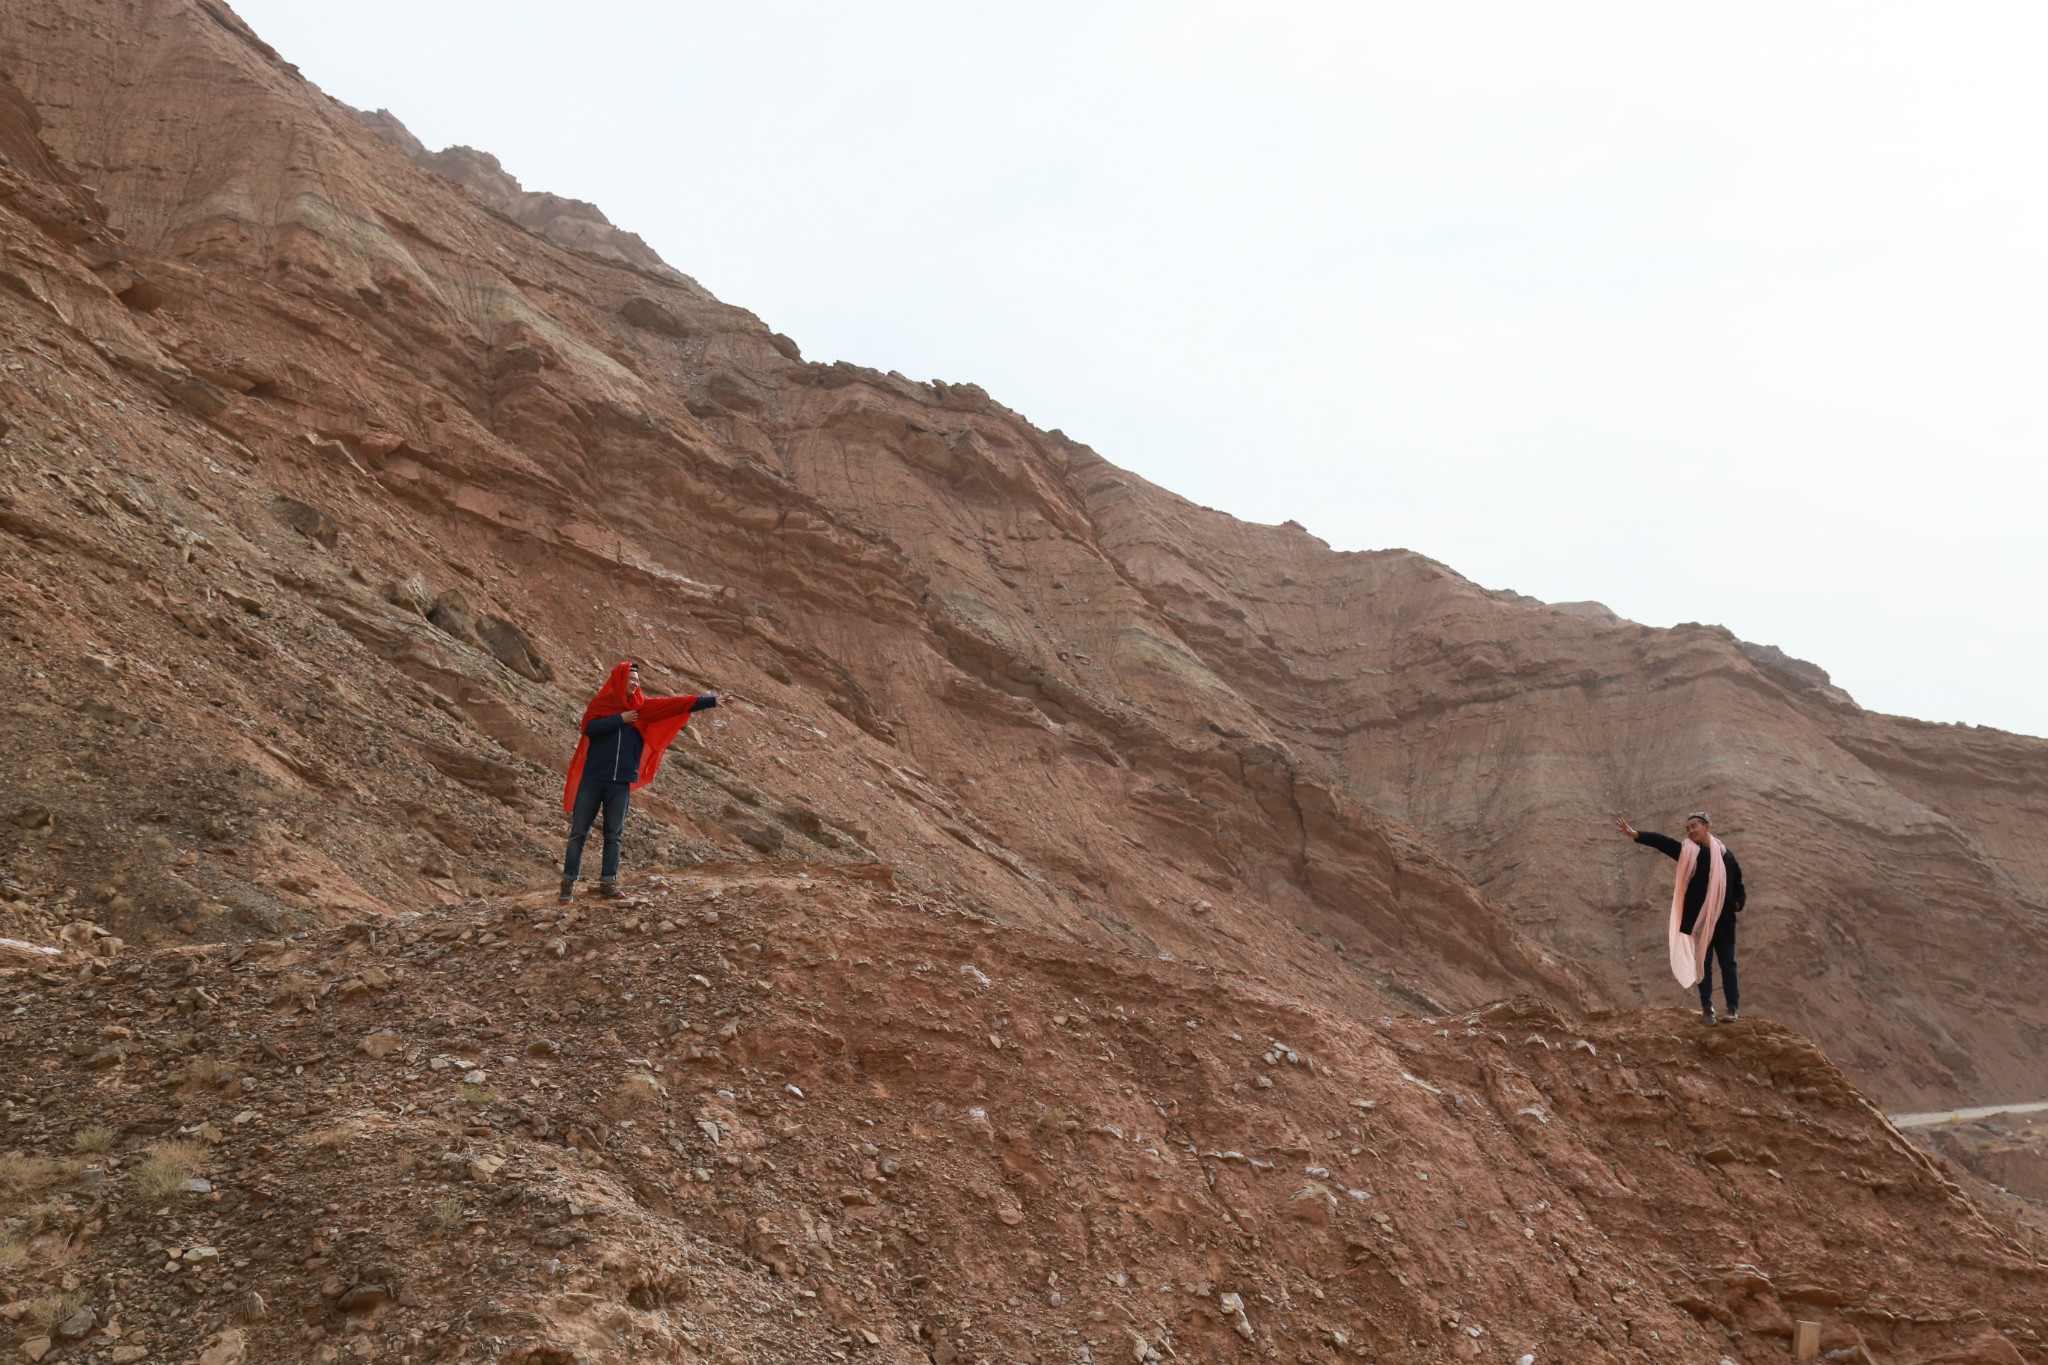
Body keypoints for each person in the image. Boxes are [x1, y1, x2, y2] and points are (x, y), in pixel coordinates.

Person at [560, 661, 717, 903]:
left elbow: (679, 703)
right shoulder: (601, 705)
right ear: (619, 680)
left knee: (614, 834)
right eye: (631, 679)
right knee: (578, 832)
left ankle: (608, 883)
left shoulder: (643, 709)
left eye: (637, 681)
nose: (635, 684)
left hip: (620, 782)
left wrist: (713, 701)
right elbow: (589, 728)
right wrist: (620, 719)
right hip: (592, 779)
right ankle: (568, 883)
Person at [1616, 812, 1746, 1026]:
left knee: (1728, 964)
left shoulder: (1726, 855)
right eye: (1687, 828)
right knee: (1702, 965)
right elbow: (1663, 843)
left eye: (1694, 826)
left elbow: (1739, 885)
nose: (1690, 831)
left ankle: (1732, 1008)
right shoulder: (1690, 853)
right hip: (1699, 921)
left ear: (1707, 827)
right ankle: (1707, 1008)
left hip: (1724, 921)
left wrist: (1737, 904)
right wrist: (1636, 834)